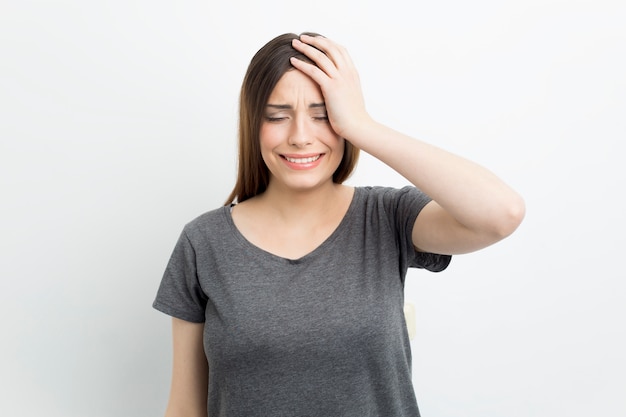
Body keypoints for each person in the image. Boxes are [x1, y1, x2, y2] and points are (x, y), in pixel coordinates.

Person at [153, 32, 525, 417]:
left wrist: (362, 124)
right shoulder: (204, 242)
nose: (300, 136)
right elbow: (184, 406)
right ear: (253, 123)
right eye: (277, 116)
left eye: (323, 115)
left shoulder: (387, 217)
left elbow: (501, 214)